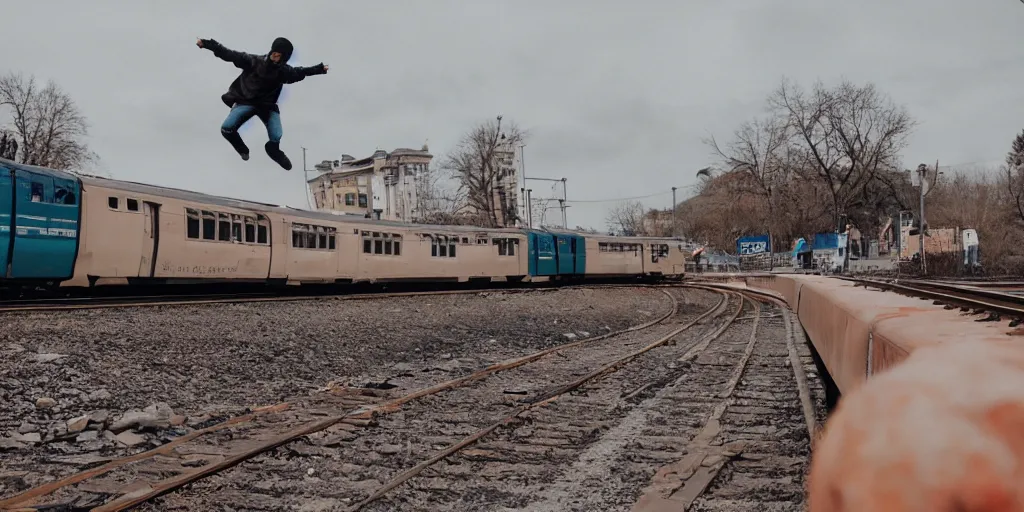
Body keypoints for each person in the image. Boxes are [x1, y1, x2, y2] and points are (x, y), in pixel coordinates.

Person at [197, 37, 328, 170]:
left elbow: (301, 72)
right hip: (245, 101)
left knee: (277, 135)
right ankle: (242, 148)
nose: (274, 57)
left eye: (278, 56)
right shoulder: (253, 61)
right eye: (274, 53)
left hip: (267, 106)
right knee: (226, 128)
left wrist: (319, 69)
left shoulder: (284, 72)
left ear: (284, 59)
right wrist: (208, 44)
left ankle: (274, 150)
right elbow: (229, 54)